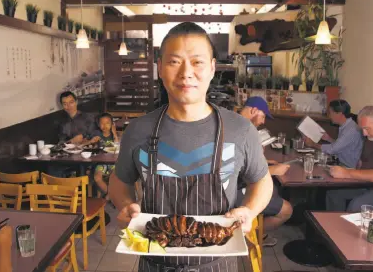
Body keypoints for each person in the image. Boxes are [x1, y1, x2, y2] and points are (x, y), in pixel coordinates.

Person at [108, 22, 273, 271]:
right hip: (155, 264)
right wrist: (125, 206)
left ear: (212, 68)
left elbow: (262, 180)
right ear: (160, 68)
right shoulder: (138, 130)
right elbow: (119, 182)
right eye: (174, 61)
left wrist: (249, 211)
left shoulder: (240, 129)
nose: (186, 73)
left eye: (197, 62)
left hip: (220, 263)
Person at [239, 96, 293, 247]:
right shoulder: (242, 131)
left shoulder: (239, 125)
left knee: (274, 189)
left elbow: (244, 162)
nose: (263, 122)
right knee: (287, 210)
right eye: (262, 117)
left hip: (239, 184)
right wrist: (272, 170)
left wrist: (265, 162)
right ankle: (250, 236)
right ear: (253, 110)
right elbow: (241, 173)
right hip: (235, 191)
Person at [304, 100, 363, 168]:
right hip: (340, 163)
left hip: (347, 167)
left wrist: (313, 144)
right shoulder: (347, 125)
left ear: (339, 114)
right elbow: (341, 145)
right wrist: (328, 138)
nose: (329, 116)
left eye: (331, 113)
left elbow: (332, 149)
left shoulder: (351, 130)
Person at [81, 113, 119, 201]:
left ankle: (111, 195)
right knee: (97, 177)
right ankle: (110, 194)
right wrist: (91, 141)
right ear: (98, 125)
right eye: (102, 123)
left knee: (116, 177)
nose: (104, 126)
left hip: (114, 163)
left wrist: (115, 133)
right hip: (101, 163)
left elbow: (118, 147)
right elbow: (83, 144)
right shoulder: (97, 134)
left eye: (107, 123)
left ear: (112, 124)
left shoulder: (114, 135)